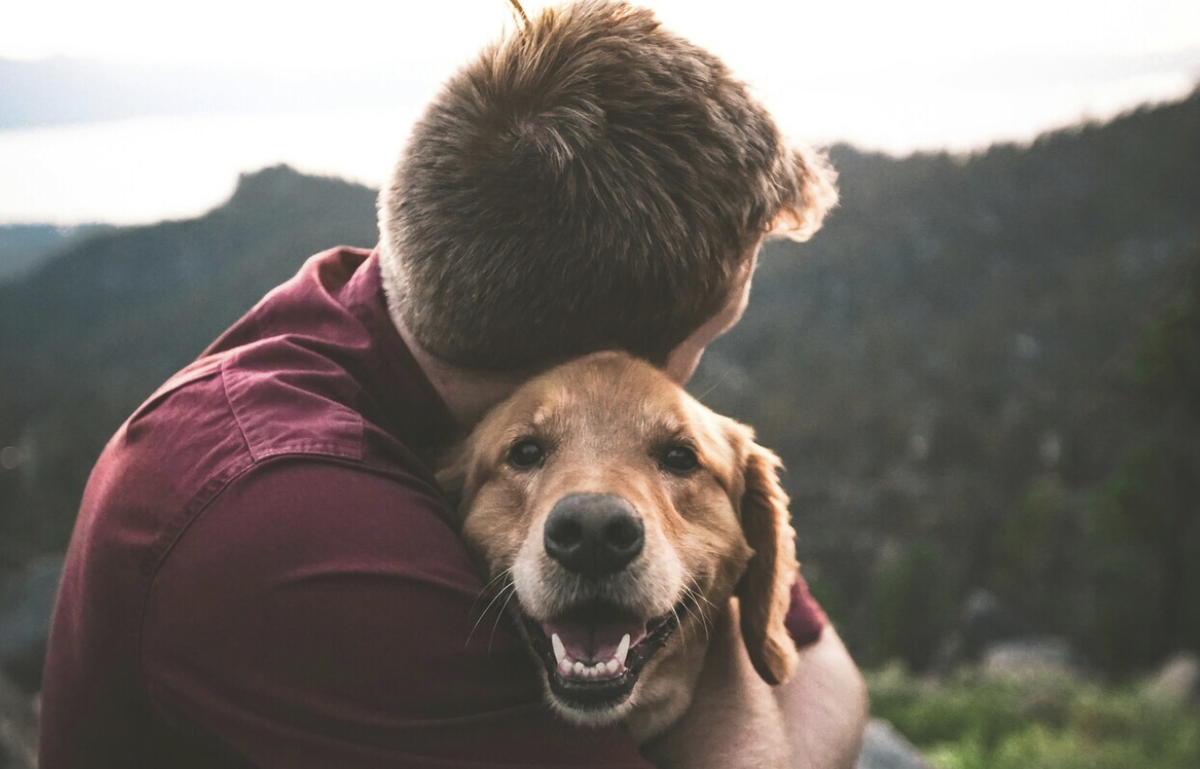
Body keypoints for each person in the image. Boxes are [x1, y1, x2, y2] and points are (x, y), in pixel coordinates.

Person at [39, 2, 867, 766]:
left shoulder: (401, 311)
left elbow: (827, 670)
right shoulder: (295, 531)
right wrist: (721, 651)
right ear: (598, 359)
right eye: (708, 337)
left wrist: (715, 603)